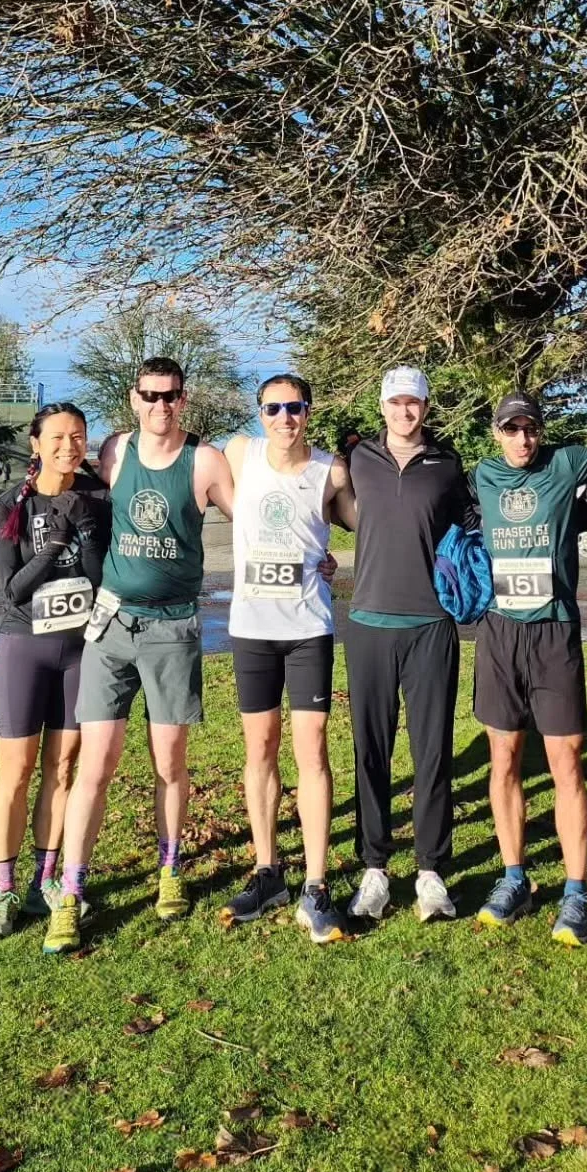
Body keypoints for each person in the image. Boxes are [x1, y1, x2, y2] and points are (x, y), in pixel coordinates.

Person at [43, 355, 235, 955]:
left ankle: (170, 868)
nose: (160, 405)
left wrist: (316, 554)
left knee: (169, 762)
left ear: (184, 399)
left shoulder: (205, 460)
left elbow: (255, 521)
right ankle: (70, 892)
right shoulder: (115, 451)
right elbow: (65, 486)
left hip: (172, 628)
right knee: (94, 765)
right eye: (150, 395)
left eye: (170, 395)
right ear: (134, 398)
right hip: (111, 627)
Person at [221, 373, 356, 945]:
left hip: (307, 629)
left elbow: (367, 521)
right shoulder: (238, 453)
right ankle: (267, 872)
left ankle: (316, 884)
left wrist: (335, 562)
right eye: (273, 408)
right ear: (260, 414)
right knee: (260, 748)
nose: (284, 418)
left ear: (308, 411)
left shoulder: (331, 471)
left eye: (294, 407)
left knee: (312, 750)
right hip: (252, 630)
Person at [343, 367, 476, 925]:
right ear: (382, 406)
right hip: (368, 623)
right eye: (396, 402)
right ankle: (374, 867)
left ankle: (430, 871)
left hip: (430, 625)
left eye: (413, 403)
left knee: (432, 752)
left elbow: (473, 523)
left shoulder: (446, 464)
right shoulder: (356, 459)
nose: (405, 411)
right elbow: (316, 502)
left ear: (426, 407)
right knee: (371, 752)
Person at [471, 392, 587, 945]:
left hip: (553, 631)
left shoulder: (564, 464)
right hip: (500, 633)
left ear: (540, 431)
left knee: (565, 761)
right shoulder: (482, 475)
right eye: (511, 429)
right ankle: (514, 877)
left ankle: (576, 890)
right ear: (496, 432)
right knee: (504, 757)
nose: (522, 438)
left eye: (530, 428)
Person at [0, 403, 109, 939]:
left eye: (77, 436)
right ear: (36, 443)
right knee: (16, 770)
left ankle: (44, 880)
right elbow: (12, 590)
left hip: (81, 650)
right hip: (24, 647)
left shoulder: (100, 497)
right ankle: (3, 890)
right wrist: (55, 541)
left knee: (63, 767)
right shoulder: (10, 505)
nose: (68, 446)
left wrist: (86, 530)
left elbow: (105, 577)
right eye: (56, 437)